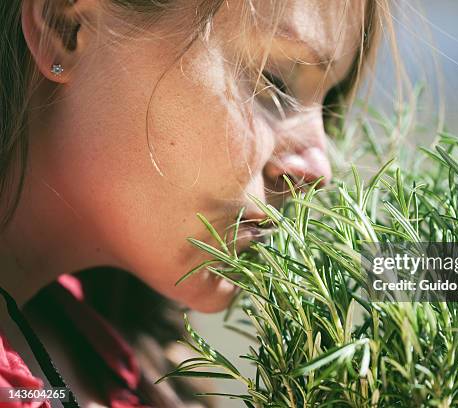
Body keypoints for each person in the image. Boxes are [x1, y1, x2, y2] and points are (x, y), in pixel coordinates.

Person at [0, 0, 384, 406]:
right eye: (276, 82)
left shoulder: (100, 361)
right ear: (64, 29)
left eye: (329, 103)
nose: (319, 168)